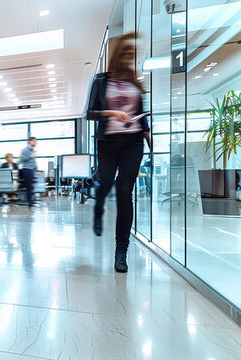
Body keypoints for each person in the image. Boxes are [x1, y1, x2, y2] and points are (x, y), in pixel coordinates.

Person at [85, 32, 151, 273]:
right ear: (119, 54)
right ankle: (98, 209)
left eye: (134, 53)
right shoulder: (101, 81)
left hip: (133, 142)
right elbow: (90, 113)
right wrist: (113, 113)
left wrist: (151, 144)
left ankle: (121, 251)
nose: (132, 57)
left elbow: (143, 123)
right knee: (104, 183)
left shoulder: (135, 83)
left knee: (125, 193)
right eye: (128, 53)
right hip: (108, 143)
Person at [19, 137, 38, 208]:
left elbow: (34, 162)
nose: (36, 143)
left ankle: (18, 186)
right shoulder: (24, 150)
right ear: (30, 142)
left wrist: (37, 170)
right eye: (34, 141)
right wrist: (31, 156)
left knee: (29, 186)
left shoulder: (32, 150)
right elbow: (22, 159)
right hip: (26, 170)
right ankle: (30, 203)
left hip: (31, 170)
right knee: (29, 186)